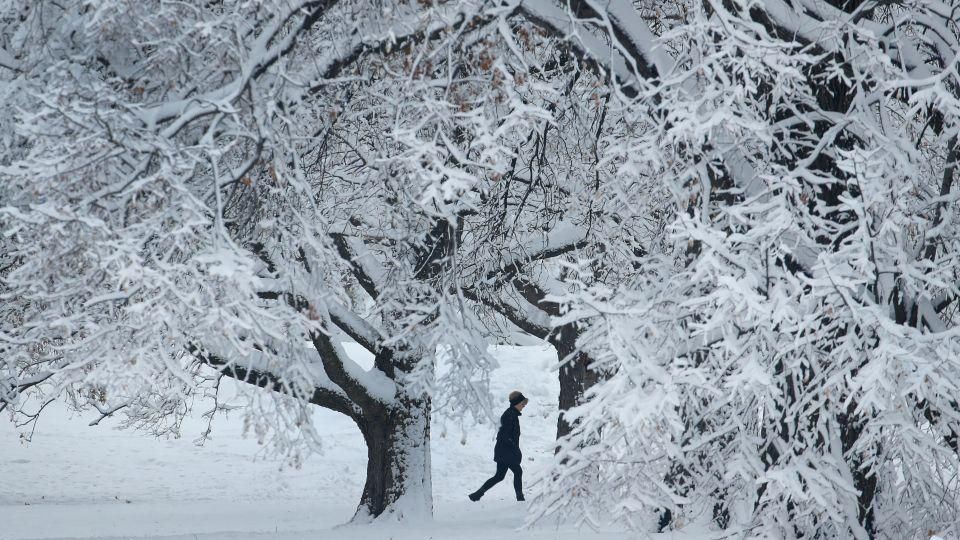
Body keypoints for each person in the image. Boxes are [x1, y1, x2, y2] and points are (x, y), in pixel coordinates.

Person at [469, 390, 528, 502]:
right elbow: (504, 435)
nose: (524, 406)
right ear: (516, 403)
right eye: (522, 404)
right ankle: (520, 498)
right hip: (506, 451)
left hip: (504, 451)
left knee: (499, 476)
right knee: (517, 471)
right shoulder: (509, 415)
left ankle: (477, 494)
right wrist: (514, 448)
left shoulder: (512, 414)